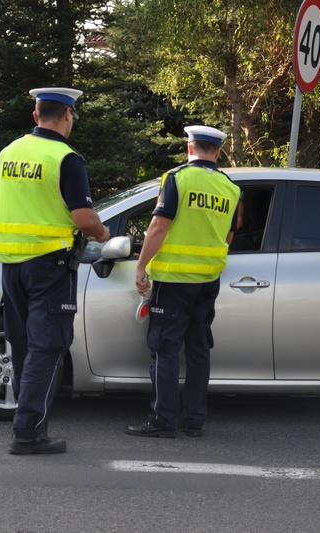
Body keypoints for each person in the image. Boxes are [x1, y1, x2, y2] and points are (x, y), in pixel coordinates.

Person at [0, 87, 110, 454]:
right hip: (49, 267)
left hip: (11, 265)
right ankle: (28, 434)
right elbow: (84, 218)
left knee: (25, 346)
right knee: (48, 348)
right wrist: (104, 233)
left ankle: (29, 425)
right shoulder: (65, 157)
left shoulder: (9, 152)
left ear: (35, 115)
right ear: (67, 116)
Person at [127, 125, 241, 438]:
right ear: (217, 152)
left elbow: (158, 228)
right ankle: (194, 421)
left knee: (165, 350)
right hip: (208, 281)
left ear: (189, 148)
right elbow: (229, 234)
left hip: (174, 280)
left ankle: (162, 421)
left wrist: (141, 267)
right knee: (198, 349)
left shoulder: (177, 178)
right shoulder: (229, 187)